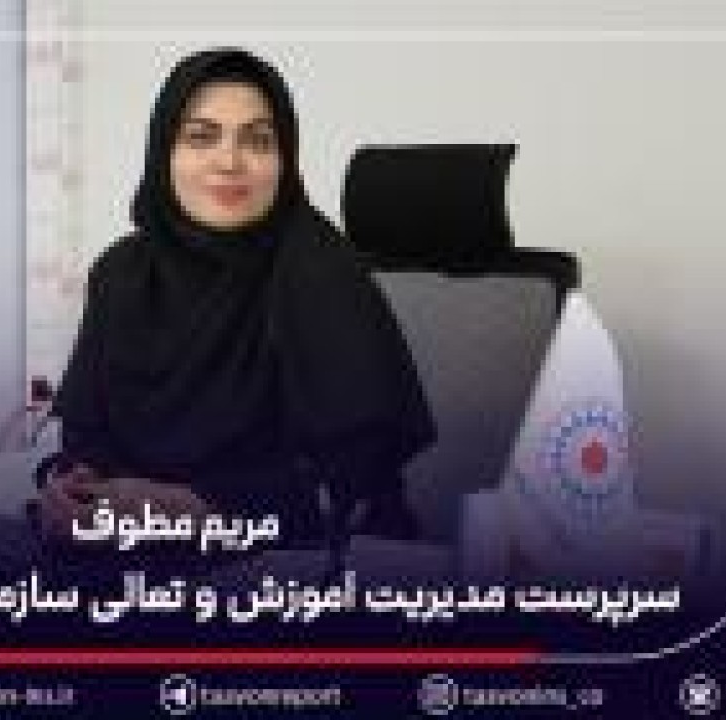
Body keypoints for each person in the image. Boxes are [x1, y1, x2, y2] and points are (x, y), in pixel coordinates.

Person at [37, 48, 434, 551]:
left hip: (294, 560)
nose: (229, 162)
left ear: (284, 161)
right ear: (163, 153)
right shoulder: (121, 274)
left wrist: (194, 510)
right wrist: (71, 489)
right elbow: (85, 442)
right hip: (129, 551)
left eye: (258, 140)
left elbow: (352, 489)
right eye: (201, 136)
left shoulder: (321, 273)